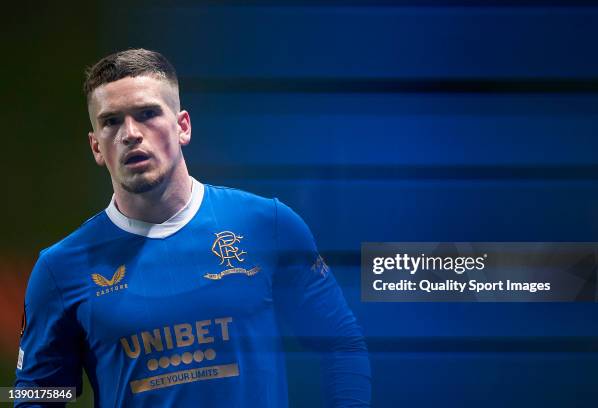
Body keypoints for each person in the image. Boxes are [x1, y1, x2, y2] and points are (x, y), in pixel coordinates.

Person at [14, 48, 371, 407]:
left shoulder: (268, 224)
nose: (130, 134)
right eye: (111, 122)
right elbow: (36, 396)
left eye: (147, 113)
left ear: (182, 126)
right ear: (96, 146)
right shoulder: (60, 270)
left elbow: (341, 343)